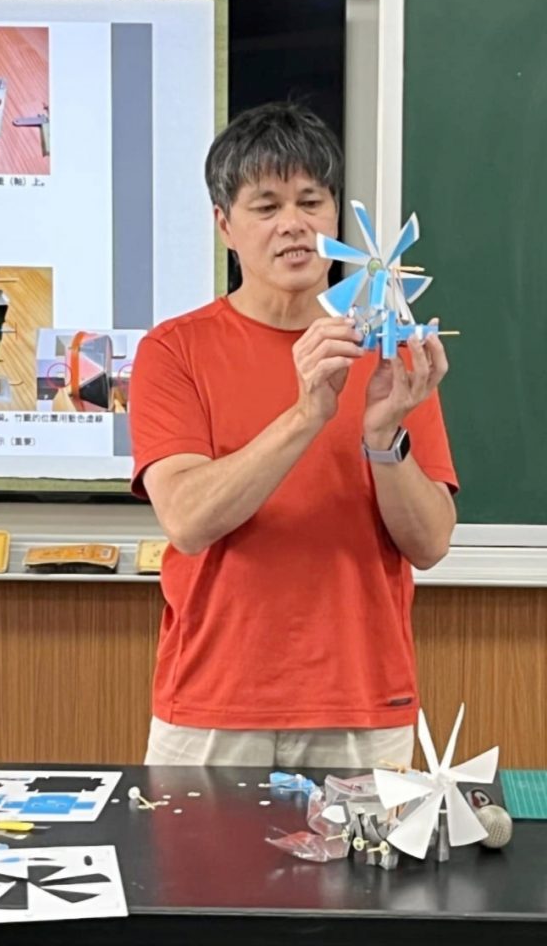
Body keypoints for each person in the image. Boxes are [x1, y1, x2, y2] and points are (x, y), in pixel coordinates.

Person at [128, 102, 458, 769]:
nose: (294, 225)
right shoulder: (173, 351)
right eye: (266, 206)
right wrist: (307, 414)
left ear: (336, 218)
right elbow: (187, 520)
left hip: (362, 703)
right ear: (224, 225)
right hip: (213, 705)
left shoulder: (392, 351)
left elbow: (429, 544)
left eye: (311, 201)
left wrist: (382, 438)